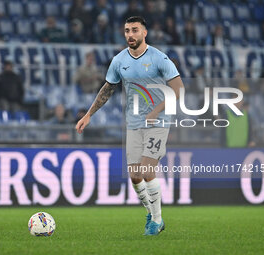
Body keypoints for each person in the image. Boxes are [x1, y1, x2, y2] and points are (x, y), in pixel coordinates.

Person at [76, 16, 184, 236]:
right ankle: (151, 212)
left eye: (135, 30)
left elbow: (179, 89)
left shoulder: (159, 58)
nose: (130, 35)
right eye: (127, 31)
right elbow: (108, 89)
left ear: (145, 33)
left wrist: (155, 111)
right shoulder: (119, 60)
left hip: (158, 122)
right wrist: (89, 114)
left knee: (146, 169)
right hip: (134, 124)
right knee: (135, 176)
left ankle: (156, 221)